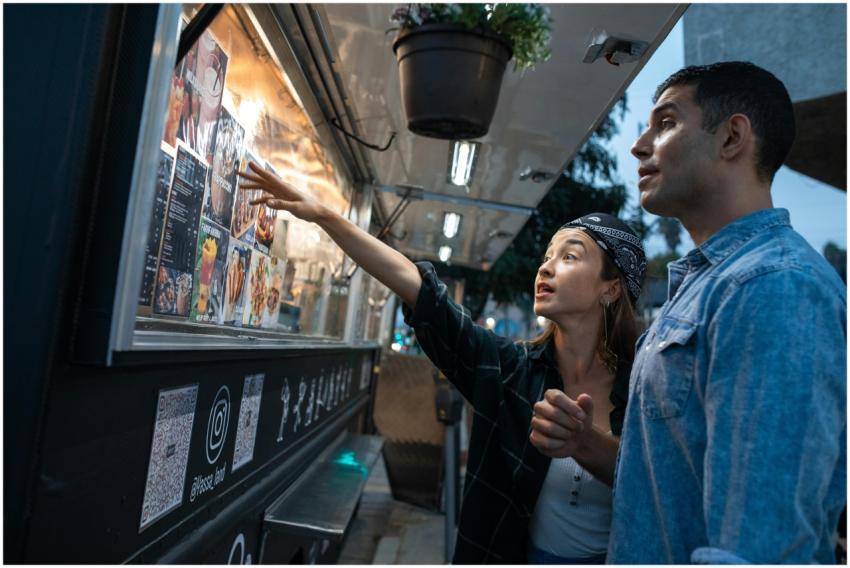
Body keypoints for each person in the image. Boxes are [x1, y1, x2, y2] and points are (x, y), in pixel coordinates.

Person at [238, 164, 646, 563]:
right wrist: (326, 216)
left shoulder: (647, 388)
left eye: (570, 257)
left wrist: (586, 445)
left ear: (611, 289)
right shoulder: (512, 370)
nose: (546, 266)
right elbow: (420, 290)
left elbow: (666, 489)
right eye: (547, 255)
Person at [530, 61, 846, 563]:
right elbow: (669, 483)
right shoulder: (708, 284)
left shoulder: (774, 286)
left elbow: (756, 550)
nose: (638, 145)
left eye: (666, 123)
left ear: (732, 137)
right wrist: (585, 443)